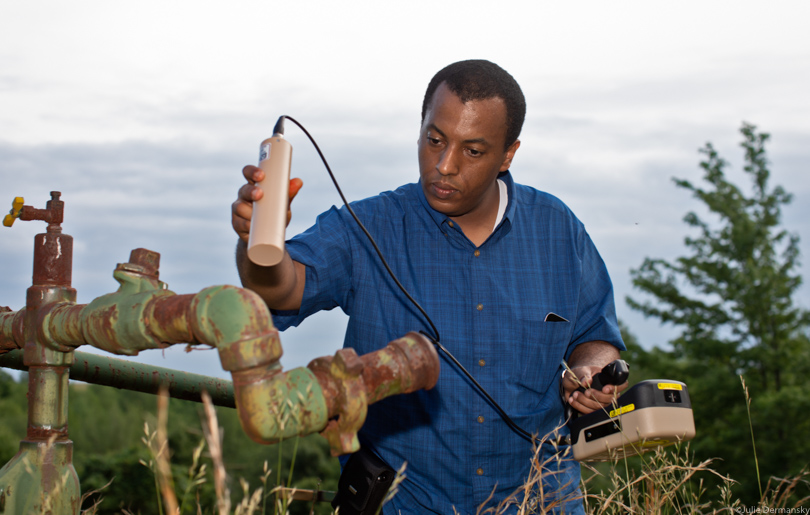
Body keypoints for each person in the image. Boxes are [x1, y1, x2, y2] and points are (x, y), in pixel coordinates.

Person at [231, 59, 626, 514]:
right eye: (434, 140)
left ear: (508, 154)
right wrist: (257, 241)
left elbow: (595, 338)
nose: (444, 165)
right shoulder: (367, 226)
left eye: (473, 151)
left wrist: (589, 373)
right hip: (403, 503)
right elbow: (280, 289)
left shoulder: (560, 230)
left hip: (543, 501)